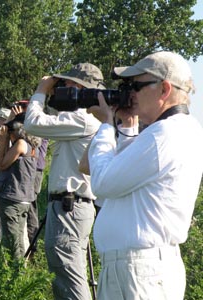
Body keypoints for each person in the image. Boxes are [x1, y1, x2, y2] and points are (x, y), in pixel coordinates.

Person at [87, 51, 203, 300]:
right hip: (140, 268)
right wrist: (128, 126)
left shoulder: (164, 135)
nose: (129, 94)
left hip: (140, 270)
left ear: (164, 89)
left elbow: (103, 182)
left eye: (135, 86)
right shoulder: (176, 130)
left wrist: (107, 125)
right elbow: (127, 181)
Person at [24, 63, 103, 300]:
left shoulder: (83, 119)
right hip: (69, 206)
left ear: (78, 87)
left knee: (68, 274)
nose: (61, 89)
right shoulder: (79, 118)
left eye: (65, 84)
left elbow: (33, 124)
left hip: (71, 207)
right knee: (66, 272)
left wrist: (41, 90)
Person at [0, 112, 41, 259]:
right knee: (19, 239)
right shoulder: (33, 145)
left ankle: (14, 273)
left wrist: (2, 140)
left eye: (10, 130)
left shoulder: (20, 144)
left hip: (12, 198)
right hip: (24, 198)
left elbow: (0, 164)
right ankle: (19, 270)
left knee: (11, 241)